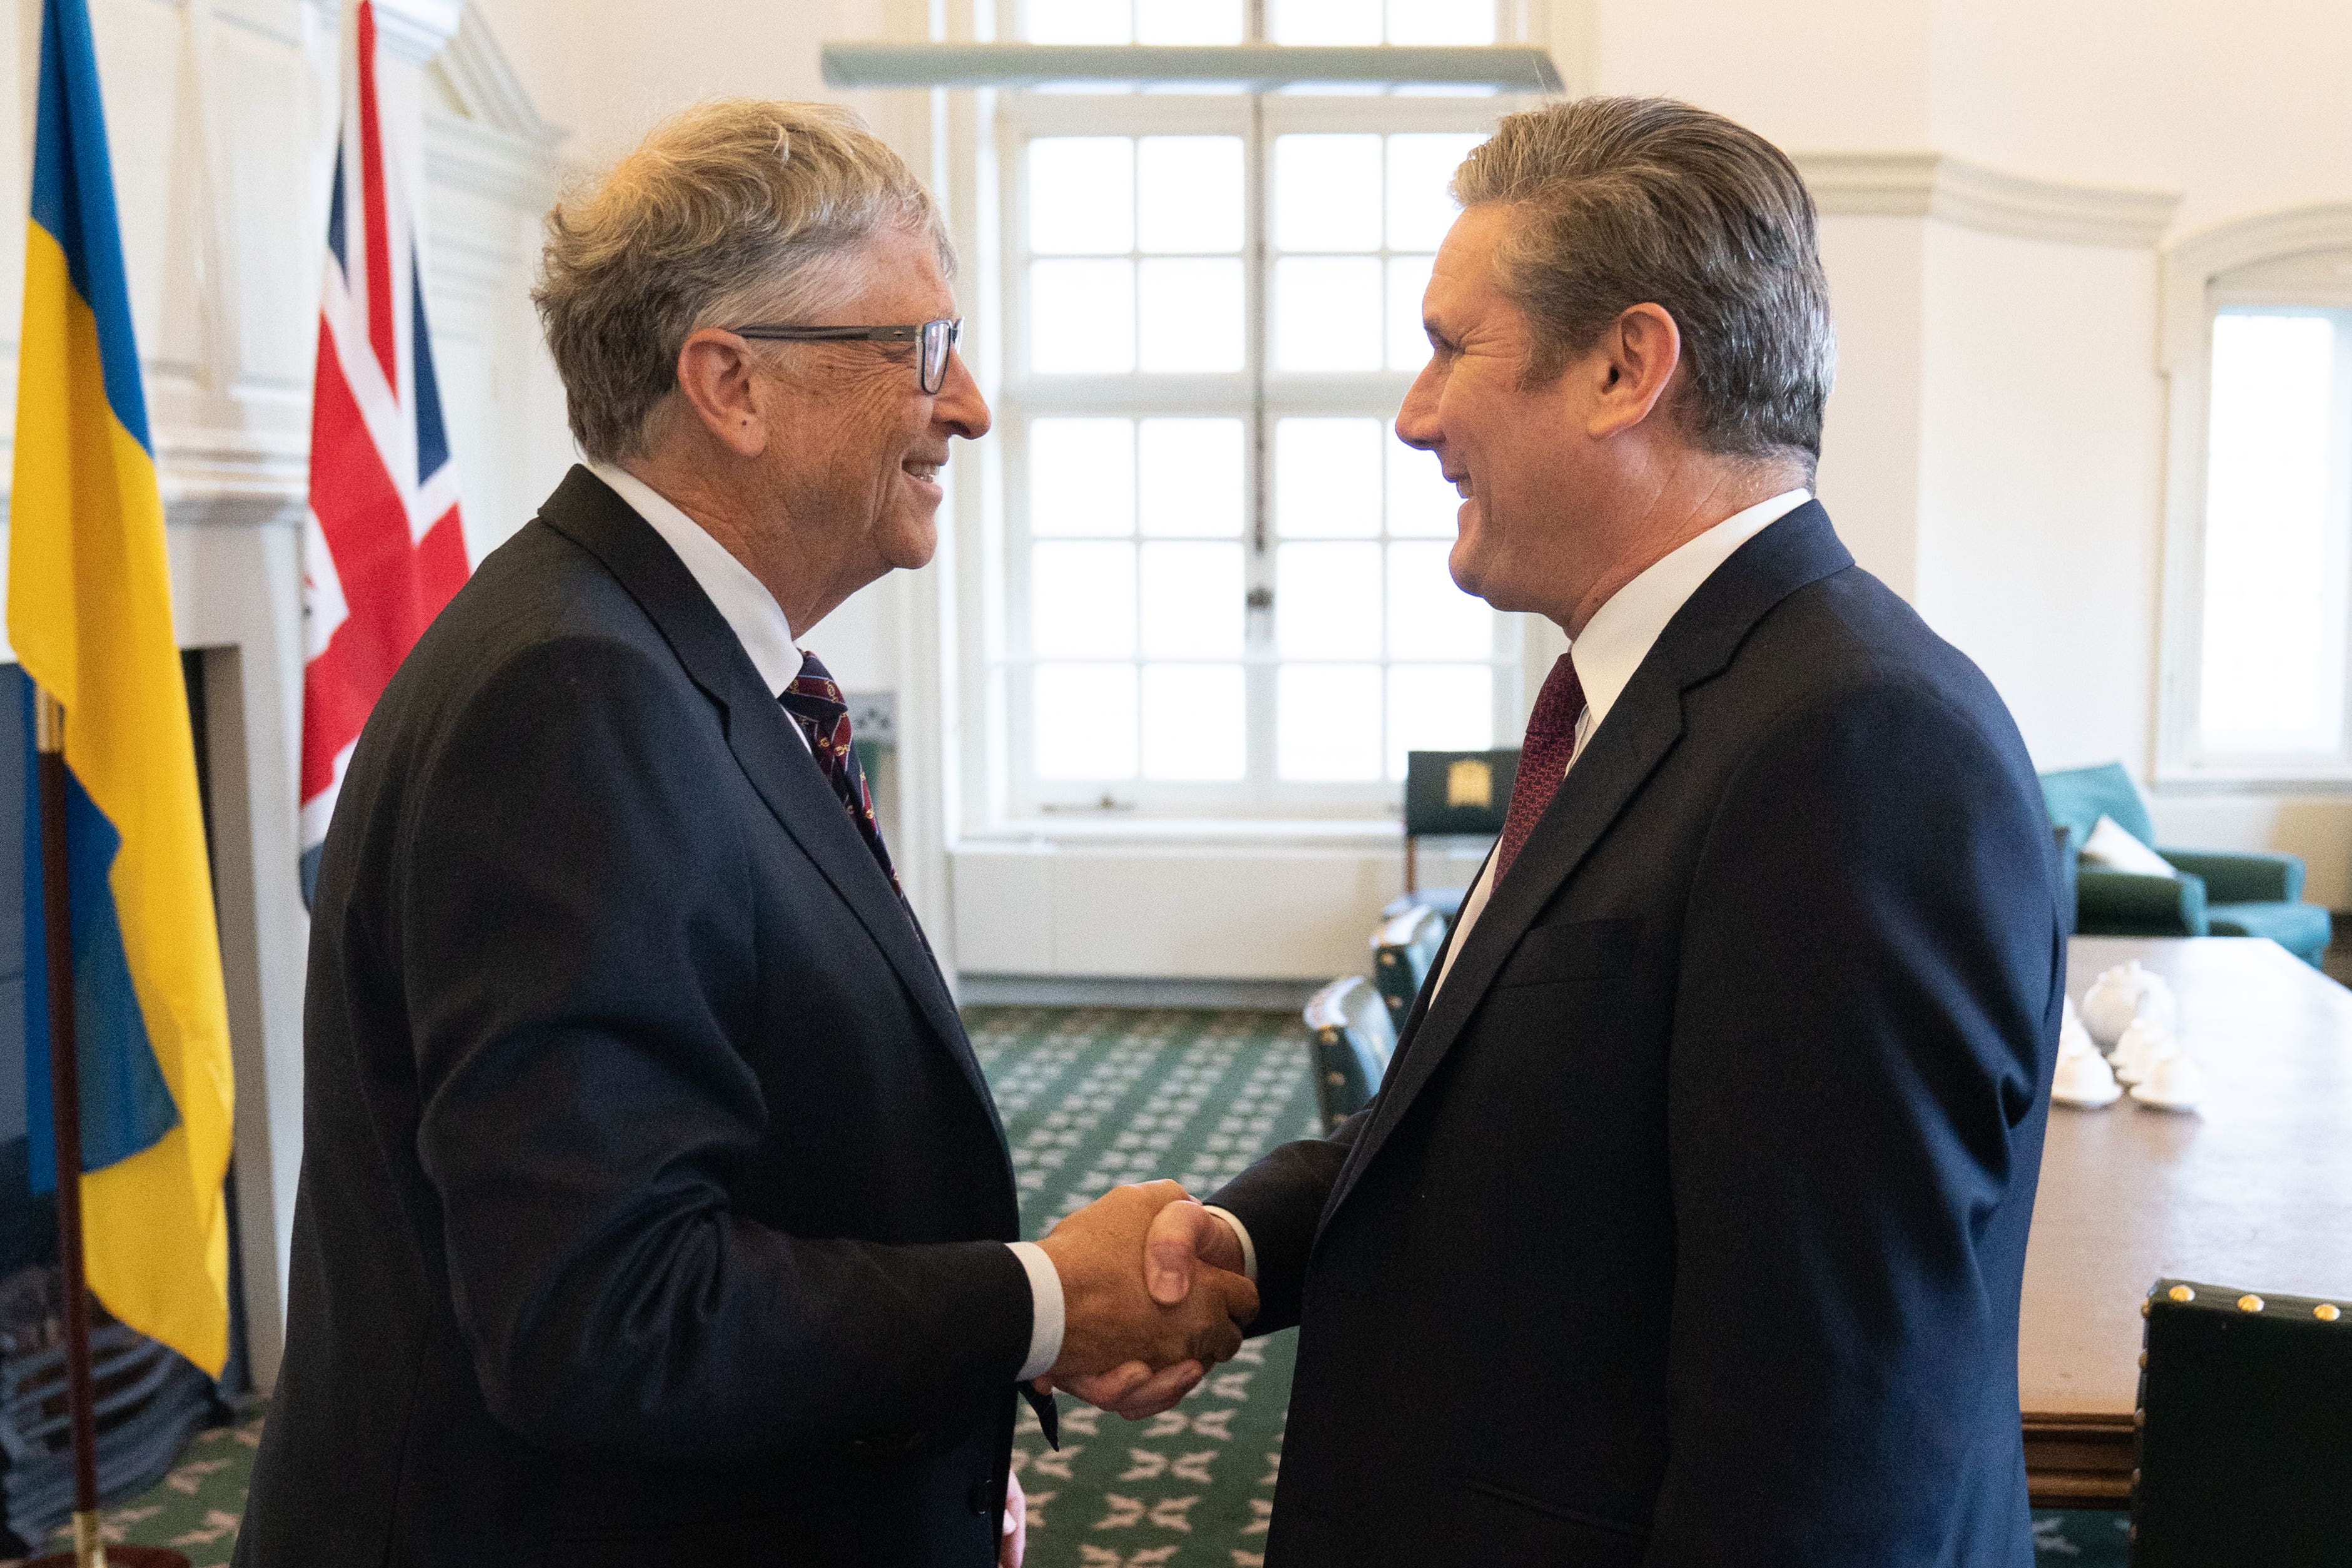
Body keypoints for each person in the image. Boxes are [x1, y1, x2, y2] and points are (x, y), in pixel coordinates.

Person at [235, 99, 1254, 1568]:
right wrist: (1039, 1299)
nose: (965, 402)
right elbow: (604, 1312)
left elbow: (769, 1163)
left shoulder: (660, 657)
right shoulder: (572, 693)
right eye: (919, 346)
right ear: (729, 381)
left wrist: (941, 1427)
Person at [1070, 97, 2063, 1565]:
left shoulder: (1848, 749)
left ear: (1622, 366)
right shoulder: (1655, 700)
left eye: (1450, 347)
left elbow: (1825, 1440)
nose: (1415, 415)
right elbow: (1528, 1112)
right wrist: (1247, 1243)